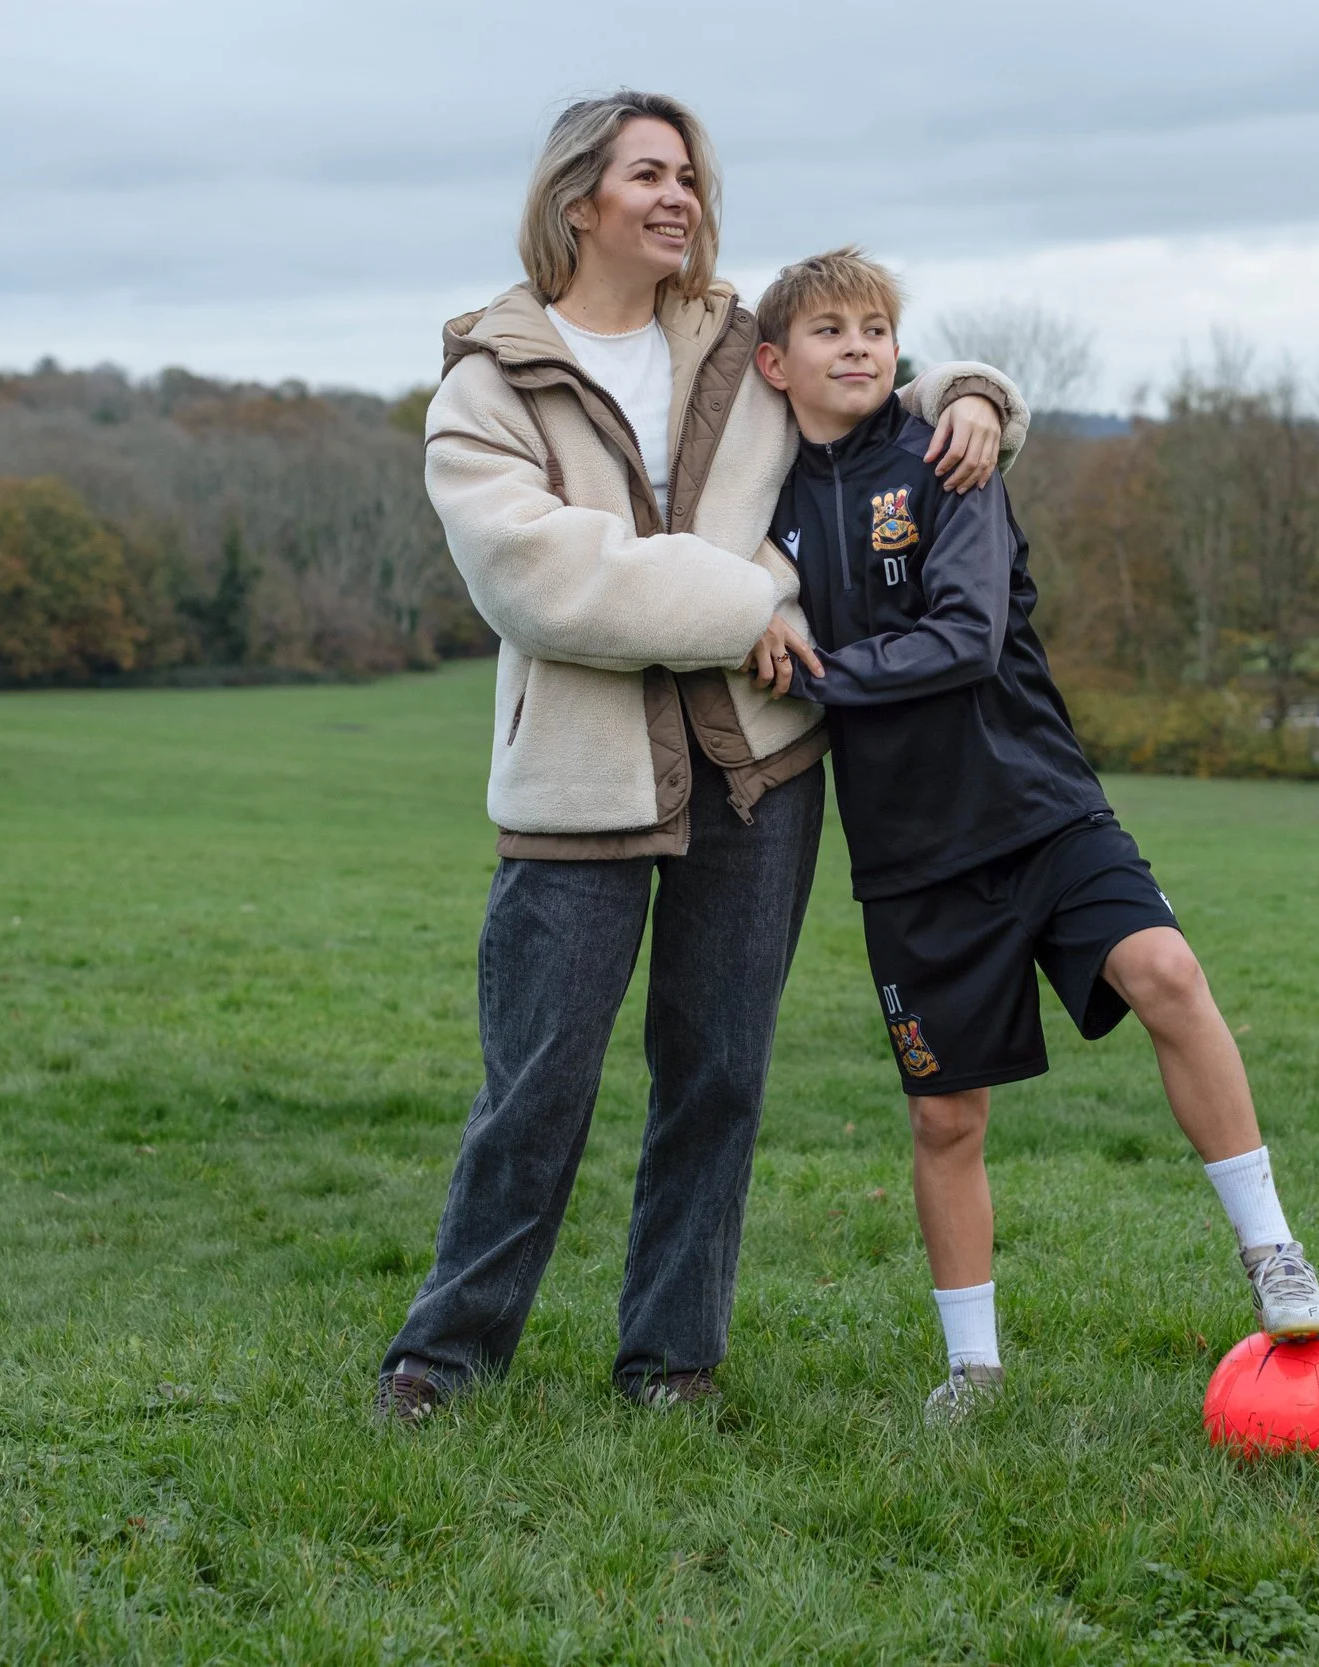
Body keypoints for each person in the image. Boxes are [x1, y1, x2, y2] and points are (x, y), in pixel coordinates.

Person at [375, 95, 1025, 1421]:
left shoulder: (742, 344)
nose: (679, 195)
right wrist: (754, 604)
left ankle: (670, 1358)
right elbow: (545, 581)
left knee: (718, 1075)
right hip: (576, 778)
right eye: (648, 174)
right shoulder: (487, 386)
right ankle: (445, 1356)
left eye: (690, 175)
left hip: (760, 768)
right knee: (537, 1084)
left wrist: (975, 391)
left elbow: (868, 387)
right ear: (578, 200)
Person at [752, 249, 1319, 1424]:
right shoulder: (759, 508)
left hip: (1038, 806)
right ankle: (972, 1368)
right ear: (775, 363)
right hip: (910, 855)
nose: (859, 346)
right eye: (828, 330)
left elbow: (965, 636)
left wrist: (817, 666)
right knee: (944, 1115)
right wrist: (756, 607)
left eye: (876, 326)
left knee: (1166, 969)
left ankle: (1273, 1252)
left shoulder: (948, 458)